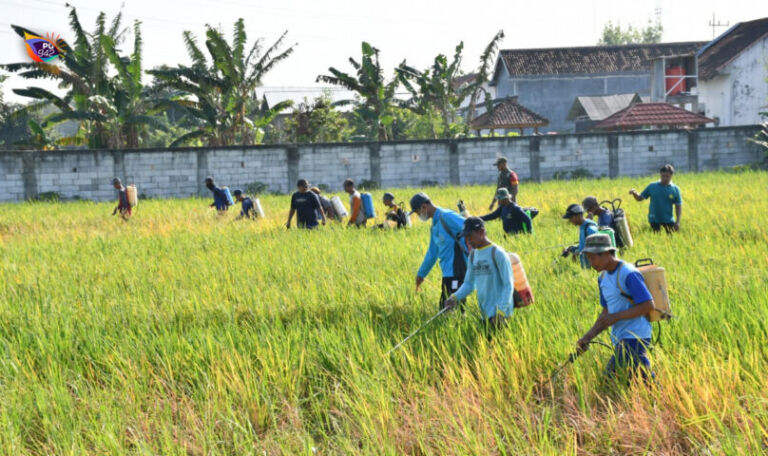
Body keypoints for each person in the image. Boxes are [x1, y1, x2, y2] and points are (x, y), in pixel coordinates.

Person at [576, 233, 655, 382]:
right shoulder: (603, 278)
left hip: (635, 336)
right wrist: (587, 338)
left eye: (592, 258)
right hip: (620, 337)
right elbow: (606, 313)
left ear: (606, 253)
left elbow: (648, 305)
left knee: (610, 379)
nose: (590, 263)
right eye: (588, 258)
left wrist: (616, 317)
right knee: (639, 380)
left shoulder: (628, 273)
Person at [444, 217, 514, 338]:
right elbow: (469, 284)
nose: (467, 241)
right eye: (465, 237)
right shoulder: (472, 255)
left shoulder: (498, 253)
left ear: (481, 232)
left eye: (470, 236)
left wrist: (500, 312)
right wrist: (454, 297)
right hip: (484, 314)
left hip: (501, 315)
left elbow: (508, 285)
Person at [411, 192, 468, 311]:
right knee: (447, 309)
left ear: (423, 207)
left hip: (458, 270)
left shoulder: (446, 216)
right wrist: (421, 274)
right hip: (448, 273)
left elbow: (473, 226)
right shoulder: (435, 225)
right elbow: (432, 253)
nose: (418, 215)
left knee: (450, 309)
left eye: (417, 212)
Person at [629, 164, 683, 233]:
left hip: (669, 220)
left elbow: (678, 206)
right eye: (663, 176)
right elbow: (639, 198)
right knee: (656, 238)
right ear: (660, 175)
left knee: (670, 241)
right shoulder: (652, 186)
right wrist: (634, 193)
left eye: (667, 176)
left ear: (671, 176)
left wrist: (678, 222)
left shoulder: (675, 189)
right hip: (654, 220)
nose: (665, 178)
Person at [561, 203, 598, 269]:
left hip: (595, 268)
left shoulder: (590, 228)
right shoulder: (582, 226)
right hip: (587, 268)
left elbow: (598, 246)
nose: (570, 221)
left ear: (578, 215)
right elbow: (584, 245)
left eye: (571, 218)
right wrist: (571, 249)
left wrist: (577, 253)